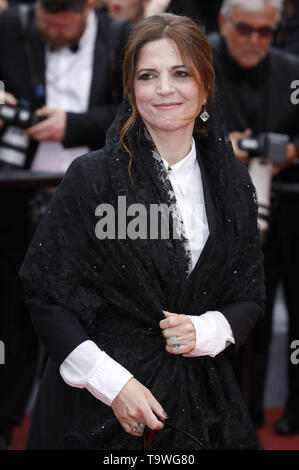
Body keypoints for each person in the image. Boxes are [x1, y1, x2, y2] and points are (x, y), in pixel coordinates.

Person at [20, 13, 265, 450]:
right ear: (132, 90)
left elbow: (249, 294)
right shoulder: (91, 178)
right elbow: (45, 292)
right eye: (148, 76)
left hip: (200, 410)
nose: (165, 89)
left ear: (206, 86)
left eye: (181, 74)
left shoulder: (233, 182)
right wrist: (112, 384)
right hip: (97, 404)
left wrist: (207, 329)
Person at [0, 0, 131, 449]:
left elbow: (137, 108)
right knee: (11, 311)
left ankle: (71, 420)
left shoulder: (121, 38)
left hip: (94, 201)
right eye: (46, 22)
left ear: (89, 8)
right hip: (14, 192)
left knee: (81, 314)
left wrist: (72, 124)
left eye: (66, 23)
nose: (54, 31)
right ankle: (6, 417)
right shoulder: (7, 27)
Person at [209, 0, 299, 433]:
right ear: (224, 22)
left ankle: (294, 409)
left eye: (266, 32)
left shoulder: (291, 69)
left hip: (290, 213)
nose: (254, 40)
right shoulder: (198, 60)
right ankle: (237, 413)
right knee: (240, 316)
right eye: (245, 29)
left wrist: (293, 151)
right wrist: (217, 141)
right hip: (221, 217)